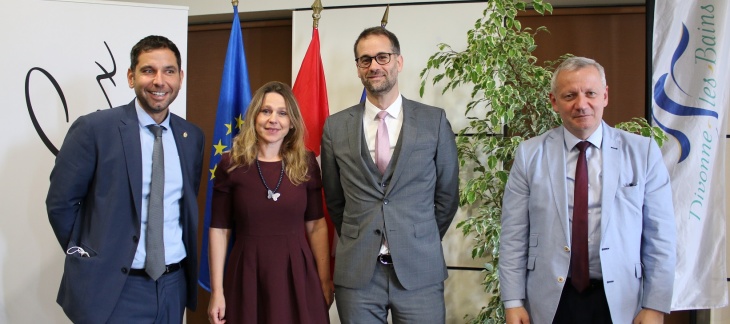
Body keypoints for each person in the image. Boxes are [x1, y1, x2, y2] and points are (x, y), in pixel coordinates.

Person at [499, 56, 677, 324]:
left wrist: (655, 306)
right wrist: (512, 302)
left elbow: (661, 236)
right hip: (551, 299)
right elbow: (513, 235)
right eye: (570, 95)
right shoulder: (530, 154)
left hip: (622, 300)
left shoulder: (643, 152)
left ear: (605, 96)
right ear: (553, 101)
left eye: (590, 93)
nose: (581, 104)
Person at [46, 35, 205, 323]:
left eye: (169, 71)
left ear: (180, 78)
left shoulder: (191, 137)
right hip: (115, 288)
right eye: (148, 70)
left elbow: (182, 206)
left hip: (173, 285)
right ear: (131, 77)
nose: (159, 81)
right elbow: (60, 203)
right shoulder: (95, 129)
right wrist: (88, 259)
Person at [320, 26, 459, 323]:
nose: (374, 66)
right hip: (358, 275)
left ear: (399, 61)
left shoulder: (433, 122)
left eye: (382, 57)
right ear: (358, 68)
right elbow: (334, 200)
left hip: (419, 271)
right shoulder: (335, 127)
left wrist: (417, 236)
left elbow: (447, 196)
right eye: (365, 60)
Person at [207, 81, 333, 324]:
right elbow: (220, 230)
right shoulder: (230, 164)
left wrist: (325, 280)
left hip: (298, 274)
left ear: (292, 122)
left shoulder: (306, 162)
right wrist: (217, 291)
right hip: (247, 274)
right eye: (266, 111)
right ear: (254, 116)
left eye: (282, 113)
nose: (273, 119)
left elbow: (316, 225)